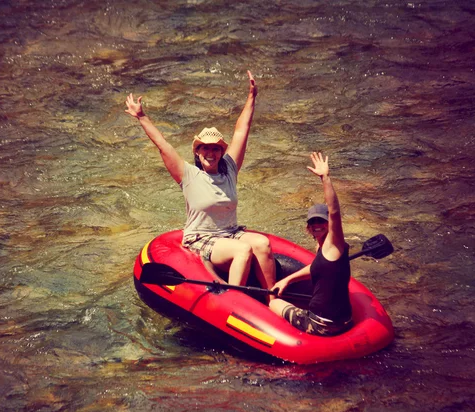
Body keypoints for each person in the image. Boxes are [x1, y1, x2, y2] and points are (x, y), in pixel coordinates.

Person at [124, 71, 275, 292]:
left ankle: (272, 300)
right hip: (201, 238)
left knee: (262, 244)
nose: (211, 153)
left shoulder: (230, 169)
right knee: (243, 251)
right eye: (205, 148)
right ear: (198, 151)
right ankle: (234, 302)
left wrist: (252, 96)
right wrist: (142, 117)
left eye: (215, 148)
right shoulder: (188, 175)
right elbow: (163, 145)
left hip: (230, 233)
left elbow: (242, 130)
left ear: (221, 152)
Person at [269, 152, 353, 336]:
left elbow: (335, 212)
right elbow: (316, 268)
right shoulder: (324, 249)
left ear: (329, 224)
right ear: (308, 228)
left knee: (273, 302)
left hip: (321, 325)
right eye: (312, 222)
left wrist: (325, 178)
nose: (316, 225)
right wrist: (287, 279)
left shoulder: (334, 243)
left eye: (321, 221)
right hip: (344, 320)